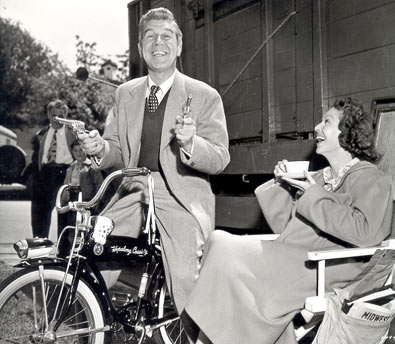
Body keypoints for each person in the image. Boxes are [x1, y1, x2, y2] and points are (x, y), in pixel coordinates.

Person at [183, 97, 394, 344]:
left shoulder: (371, 178)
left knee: (225, 251)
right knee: (217, 241)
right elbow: (286, 228)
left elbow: (366, 232)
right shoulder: (320, 177)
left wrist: (313, 194)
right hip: (297, 255)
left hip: (330, 265)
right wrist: (284, 185)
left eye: (326, 122)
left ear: (348, 133)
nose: (316, 127)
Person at [78, 7, 230, 315]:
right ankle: (91, 320)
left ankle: (199, 335)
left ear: (179, 44)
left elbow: (219, 157)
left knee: (188, 277)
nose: (157, 43)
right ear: (139, 48)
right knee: (95, 251)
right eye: (150, 37)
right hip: (133, 189)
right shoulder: (126, 93)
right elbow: (116, 151)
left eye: (166, 36)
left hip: (180, 195)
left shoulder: (204, 95)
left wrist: (190, 142)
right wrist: (98, 148)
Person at [31, 100, 74, 239]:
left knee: (65, 214)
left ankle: (64, 252)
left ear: (65, 115)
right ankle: (39, 246)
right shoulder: (41, 133)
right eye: (54, 115)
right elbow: (36, 157)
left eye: (61, 116)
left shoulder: (72, 132)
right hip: (45, 174)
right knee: (40, 214)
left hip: (65, 173)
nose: (57, 119)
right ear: (48, 115)